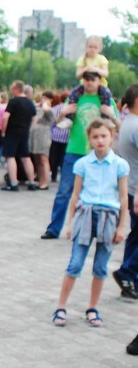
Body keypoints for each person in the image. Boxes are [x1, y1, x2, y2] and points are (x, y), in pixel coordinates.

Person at [51, 119, 128, 327]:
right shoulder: (83, 164)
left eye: (104, 136)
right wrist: (70, 223)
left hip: (109, 216)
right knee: (75, 263)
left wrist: (122, 226)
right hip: (85, 215)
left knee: (101, 267)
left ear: (112, 136)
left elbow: (123, 198)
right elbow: (75, 194)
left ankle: (93, 308)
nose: (100, 140)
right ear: (89, 139)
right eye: (95, 137)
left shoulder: (120, 165)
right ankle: (61, 306)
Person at [42, 71, 118, 239]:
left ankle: (86, 229)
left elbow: (117, 126)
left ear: (99, 81)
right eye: (86, 80)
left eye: (93, 80)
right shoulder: (76, 97)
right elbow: (56, 123)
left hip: (97, 155)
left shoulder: (106, 100)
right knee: (64, 191)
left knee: (93, 192)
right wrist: (63, 111)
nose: (89, 83)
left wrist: (111, 113)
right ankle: (54, 229)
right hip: (74, 150)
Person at [112, 84, 138, 301]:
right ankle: (127, 273)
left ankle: (130, 280)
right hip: (137, 188)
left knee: (135, 235)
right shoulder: (136, 125)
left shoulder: (127, 123)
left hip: (130, 187)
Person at [0, 81, 38, 192]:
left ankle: (13, 183)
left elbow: (5, 117)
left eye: (12, 88)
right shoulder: (30, 102)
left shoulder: (13, 101)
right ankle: (31, 182)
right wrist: (29, 128)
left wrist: (3, 131)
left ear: (16, 89)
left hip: (12, 132)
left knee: (10, 157)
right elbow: (35, 118)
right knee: (26, 157)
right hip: (24, 132)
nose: (11, 90)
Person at [30, 91, 54, 190]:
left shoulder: (50, 110)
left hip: (44, 135)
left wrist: (45, 103)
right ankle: (40, 180)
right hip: (35, 136)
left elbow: (46, 110)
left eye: (46, 98)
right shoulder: (38, 109)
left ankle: (46, 182)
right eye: (42, 98)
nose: (43, 100)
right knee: (37, 159)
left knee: (44, 158)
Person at [49, 91, 70, 182]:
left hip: (55, 135)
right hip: (67, 136)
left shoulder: (55, 108)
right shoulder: (70, 109)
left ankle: (53, 175)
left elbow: (52, 123)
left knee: (54, 156)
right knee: (63, 157)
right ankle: (63, 175)